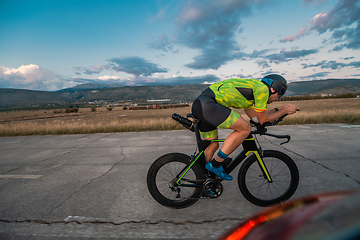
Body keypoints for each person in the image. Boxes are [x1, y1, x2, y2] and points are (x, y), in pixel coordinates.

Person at [191, 74, 299, 180]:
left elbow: (257, 117)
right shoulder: (262, 90)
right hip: (208, 105)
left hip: (201, 104)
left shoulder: (252, 91)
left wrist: (279, 109)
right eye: (281, 92)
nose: (278, 98)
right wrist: (284, 110)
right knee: (245, 128)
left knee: (213, 145)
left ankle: (205, 179)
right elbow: (263, 119)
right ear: (272, 89)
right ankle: (215, 165)